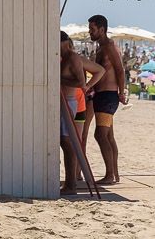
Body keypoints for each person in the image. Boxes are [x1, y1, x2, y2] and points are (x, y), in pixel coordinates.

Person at [59, 32, 104, 193]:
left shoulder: (72, 58)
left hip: (71, 102)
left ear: (64, 42)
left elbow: (80, 81)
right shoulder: (63, 57)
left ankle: (71, 183)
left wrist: (57, 78)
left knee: (68, 142)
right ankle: (70, 181)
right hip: (64, 101)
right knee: (65, 142)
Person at [88, 14, 128, 185]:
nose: (90, 32)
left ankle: (110, 175)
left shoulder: (109, 47)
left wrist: (121, 92)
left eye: (93, 29)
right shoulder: (100, 47)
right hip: (102, 96)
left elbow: (120, 70)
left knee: (100, 134)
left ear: (102, 29)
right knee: (109, 136)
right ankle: (115, 174)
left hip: (108, 96)